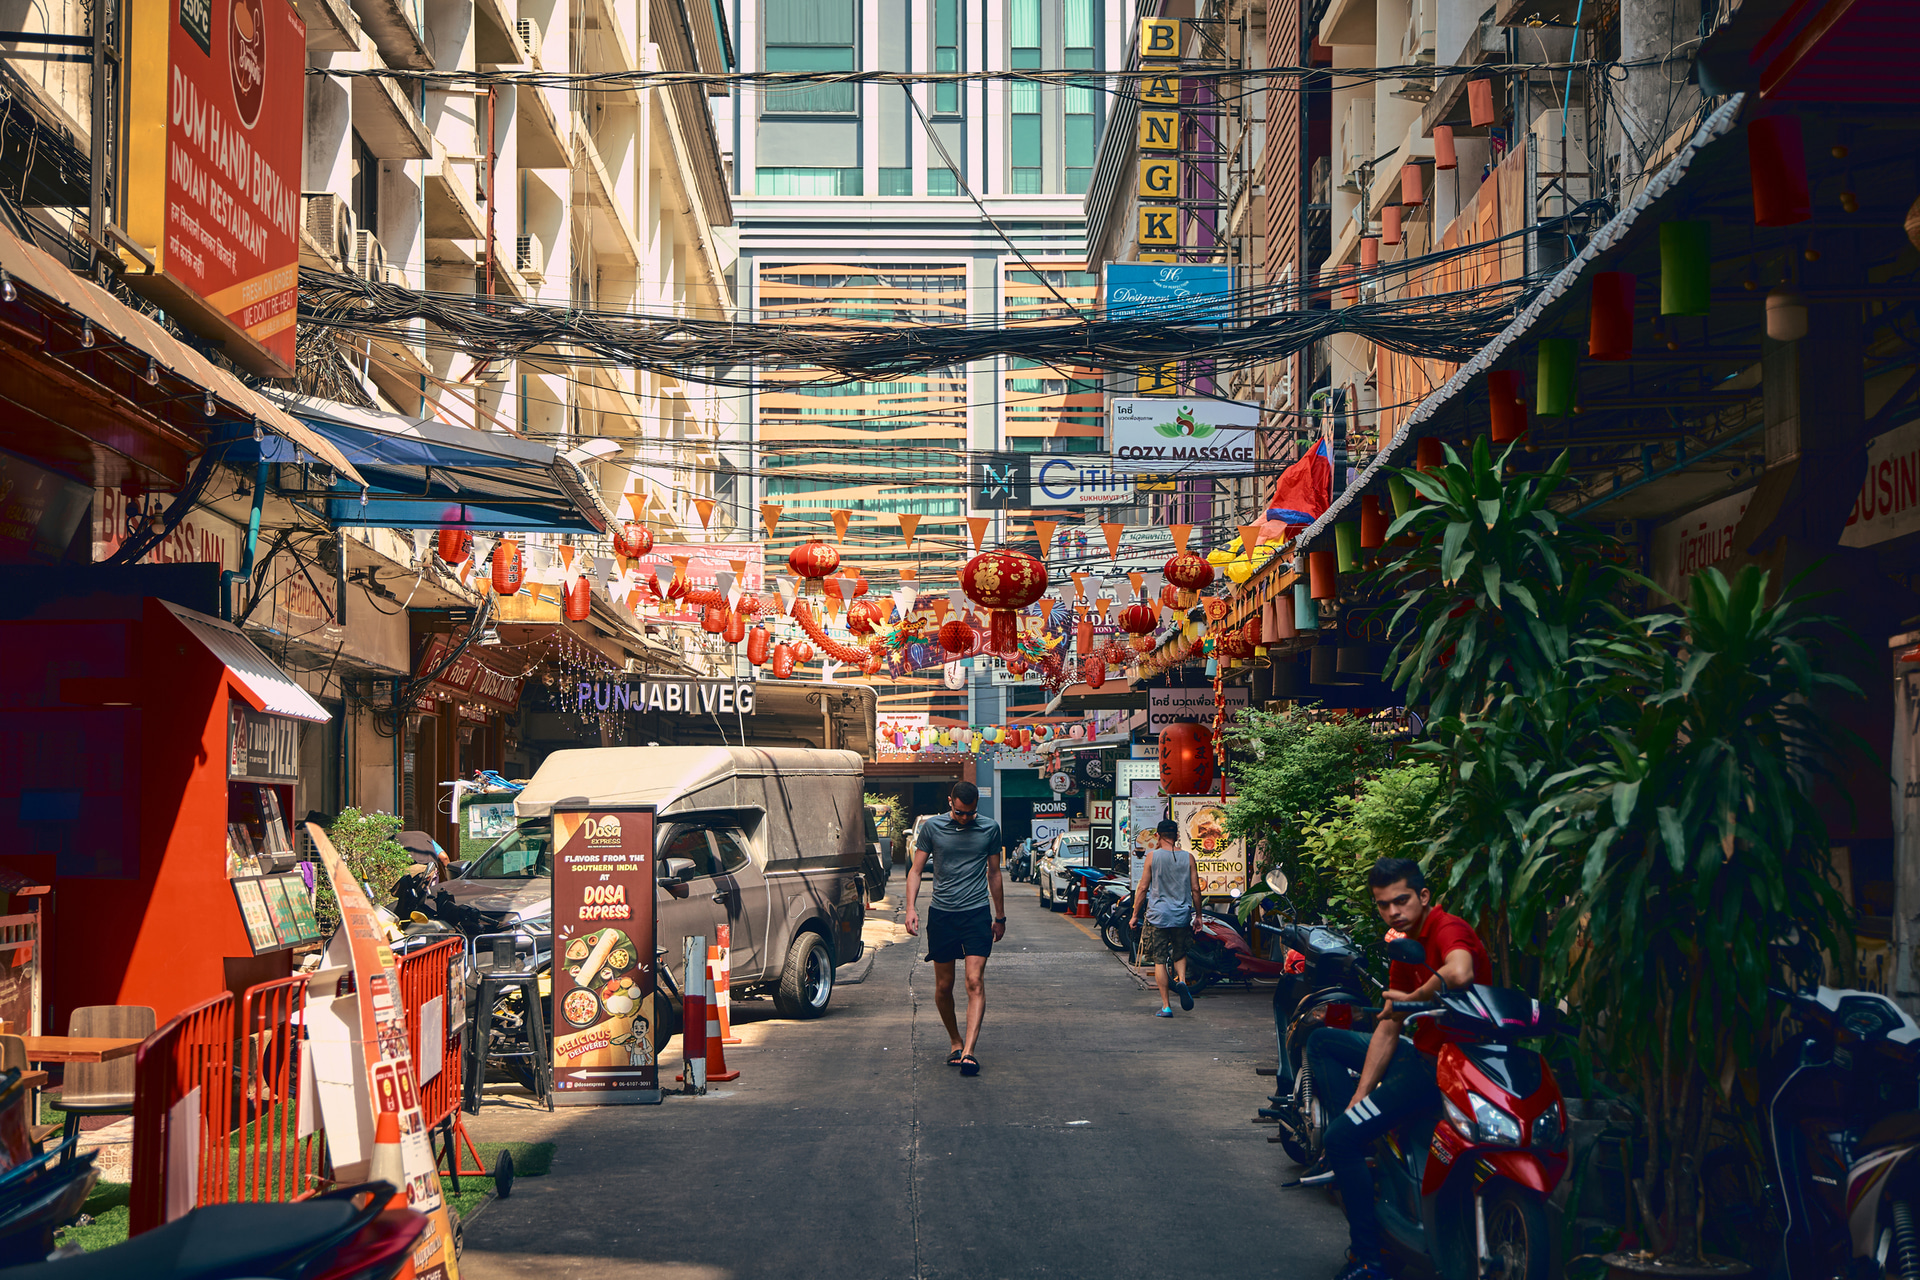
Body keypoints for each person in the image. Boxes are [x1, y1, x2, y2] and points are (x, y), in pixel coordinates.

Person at [1306, 857, 1491, 1280]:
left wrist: (1419, 995)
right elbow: (1389, 1024)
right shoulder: (1404, 946)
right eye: (1384, 905)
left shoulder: (1446, 928)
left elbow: (1460, 971)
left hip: (1450, 1067)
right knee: (1323, 1043)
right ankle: (1360, 1147)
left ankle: (1368, 1258)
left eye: (1402, 901)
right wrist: (1358, 1099)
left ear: (1423, 897)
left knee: (1342, 1141)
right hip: (1421, 1056)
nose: (1393, 912)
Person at [904, 781, 1005, 1076]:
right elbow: (915, 870)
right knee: (943, 986)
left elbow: (995, 873)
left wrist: (999, 916)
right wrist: (911, 908)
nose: (965, 819)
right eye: (960, 813)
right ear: (951, 803)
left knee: (974, 981)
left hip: (975, 914)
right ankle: (955, 1041)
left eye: (970, 813)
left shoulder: (989, 828)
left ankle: (970, 1052)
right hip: (942, 915)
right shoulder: (932, 828)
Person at [1131, 818, 1201, 1016]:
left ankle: (1166, 1006)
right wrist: (1198, 916)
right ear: (1177, 836)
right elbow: (1196, 889)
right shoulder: (1188, 858)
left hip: (1158, 916)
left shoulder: (1152, 857)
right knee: (1180, 953)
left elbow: (1143, 888)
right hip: (1181, 916)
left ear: (1158, 836)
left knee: (1160, 960)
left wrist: (1135, 915)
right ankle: (1182, 981)